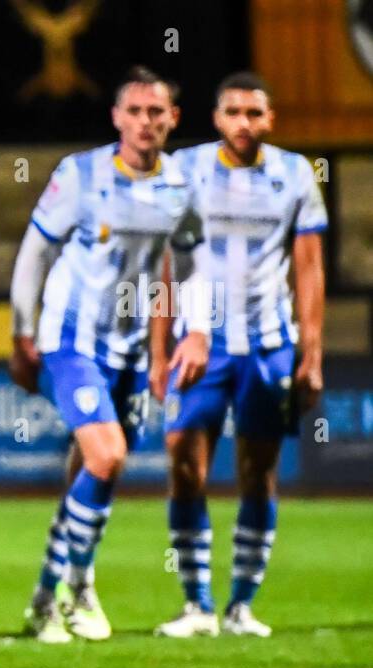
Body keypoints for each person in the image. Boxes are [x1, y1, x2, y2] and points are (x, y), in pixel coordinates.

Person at [10, 66, 193, 643]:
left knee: (92, 474)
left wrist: (184, 338)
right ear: (116, 117)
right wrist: (21, 330)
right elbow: (34, 252)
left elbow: (183, 266)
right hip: (72, 339)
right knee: (108, 456)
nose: (145, 122)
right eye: (134, 111)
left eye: (155, 112)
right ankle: (78, 586)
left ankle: (44, 596)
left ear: (172, 120)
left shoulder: (182, 187)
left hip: (132, 350)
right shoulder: (80, 175)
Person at [152, 72, 327, 638]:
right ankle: (196, 603)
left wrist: (313, 353)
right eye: (234, 112)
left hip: (269, 345)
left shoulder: (296, 174)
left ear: (269, 120)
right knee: (183, 461)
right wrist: (160, 349)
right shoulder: (184, 171)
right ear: (216, 117)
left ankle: (241, 605)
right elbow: (164, 262)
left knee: (258, 471)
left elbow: (308, 267)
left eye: (255, 113)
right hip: (198, 343)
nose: (244, 123)